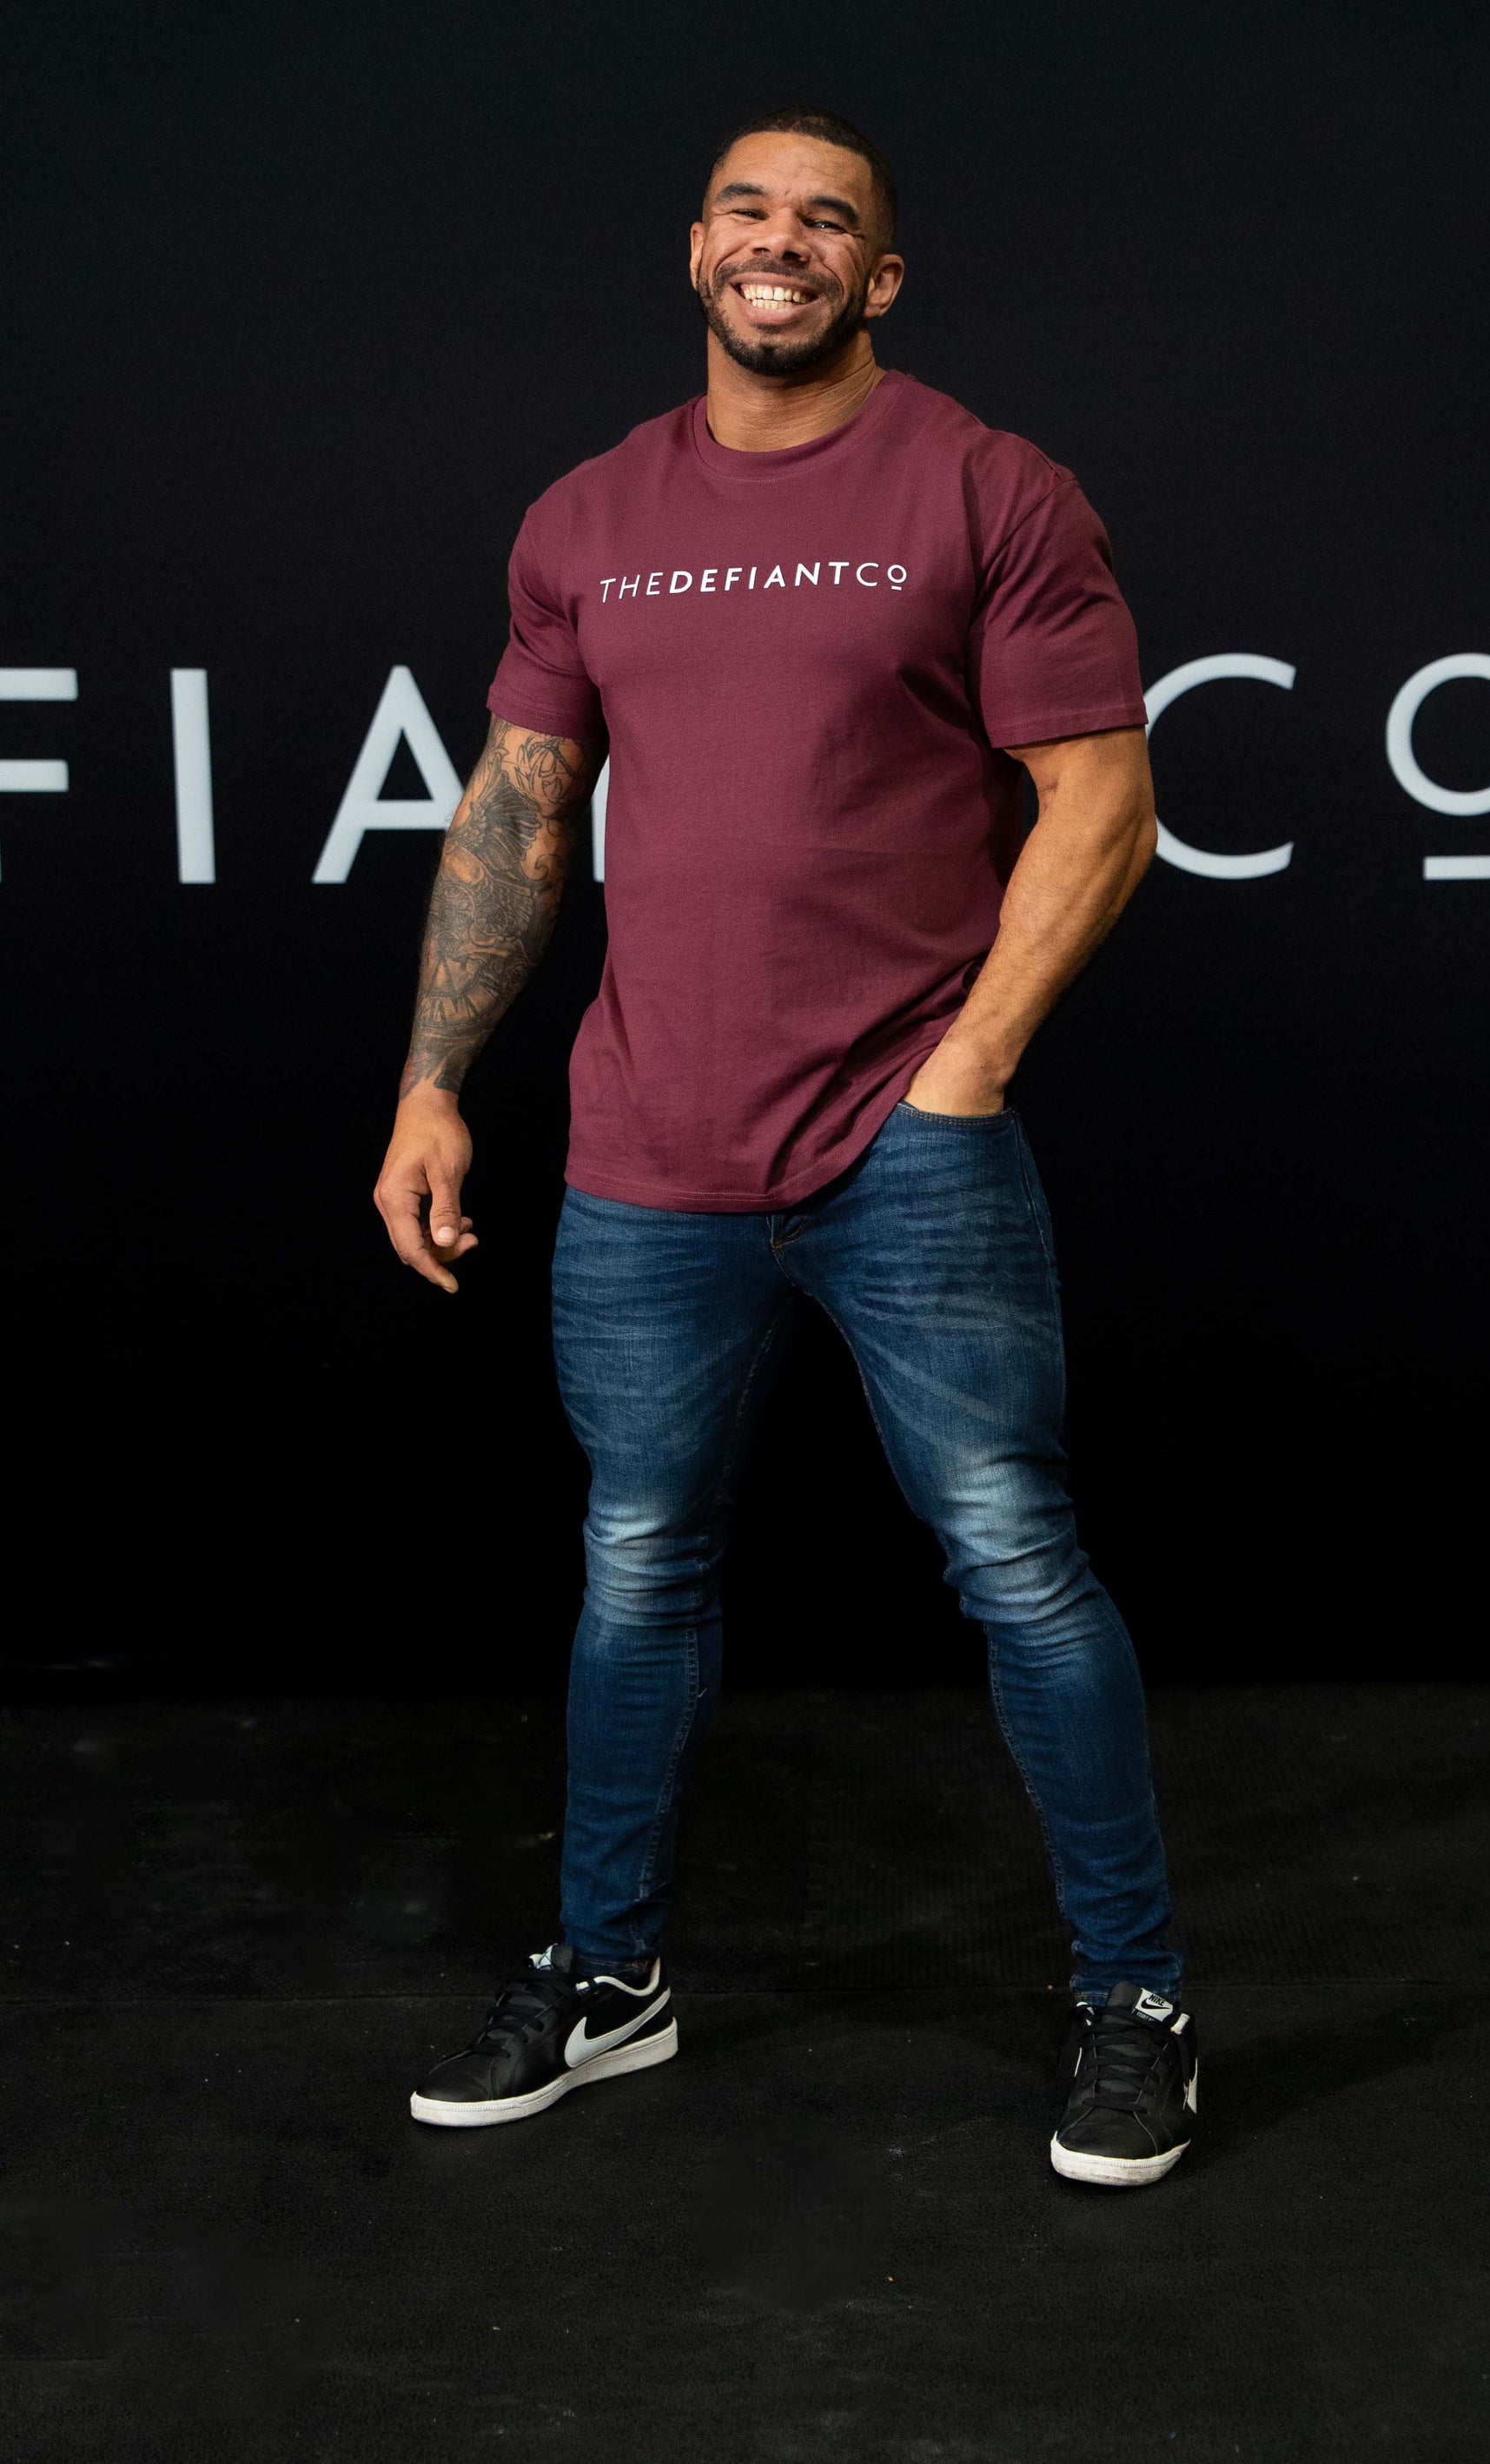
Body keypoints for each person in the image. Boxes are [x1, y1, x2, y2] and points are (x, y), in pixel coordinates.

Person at [374, 105, 1195, 2187]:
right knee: (636, 1565)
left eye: (827, 220)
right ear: (694, 252)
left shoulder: (985, 485)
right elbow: (519, 811)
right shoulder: (588, 514)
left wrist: (967, 1067)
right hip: (646, 1148)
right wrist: (433, 1077)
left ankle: (1137, 2002)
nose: (782, 240)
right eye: (747, 209)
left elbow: (1102, 804)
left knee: (1015, 1561)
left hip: (909, 1142)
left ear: (876, 278)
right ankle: (610, 1975)